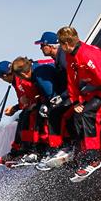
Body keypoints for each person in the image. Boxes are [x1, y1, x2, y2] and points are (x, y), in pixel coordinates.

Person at [57, 26, 101, 182]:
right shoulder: (70, 56)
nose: (60, 47)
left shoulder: (89, 54)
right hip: (96, 87)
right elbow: (71, 80)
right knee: (78, 114)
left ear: (67, 43)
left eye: (60, 44)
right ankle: (84, 155)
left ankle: (94, 159)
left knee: (88, 113)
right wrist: (75, 101)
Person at [34, 31, 75, 168]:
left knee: (57, 112)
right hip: (69, 93)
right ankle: (60, 148)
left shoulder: (62, 57)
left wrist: (62, 97)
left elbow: (74, 78)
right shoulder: (58, 57)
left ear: (50, 46)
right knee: (53, 111)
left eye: (42, 45)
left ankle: (67, 147)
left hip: (75, 94)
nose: (41, 48)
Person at [0, 60, 44, 167]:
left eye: (2, 78)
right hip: (38, 102)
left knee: (28, 114)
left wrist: (18, 107)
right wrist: (15, 108)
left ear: (5, 76)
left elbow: (34, 96)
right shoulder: (16, 81)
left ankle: (32, 151)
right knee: (24, 115)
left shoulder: (21, 81)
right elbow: (26, 101)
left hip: (46, 101)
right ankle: (18, 152)